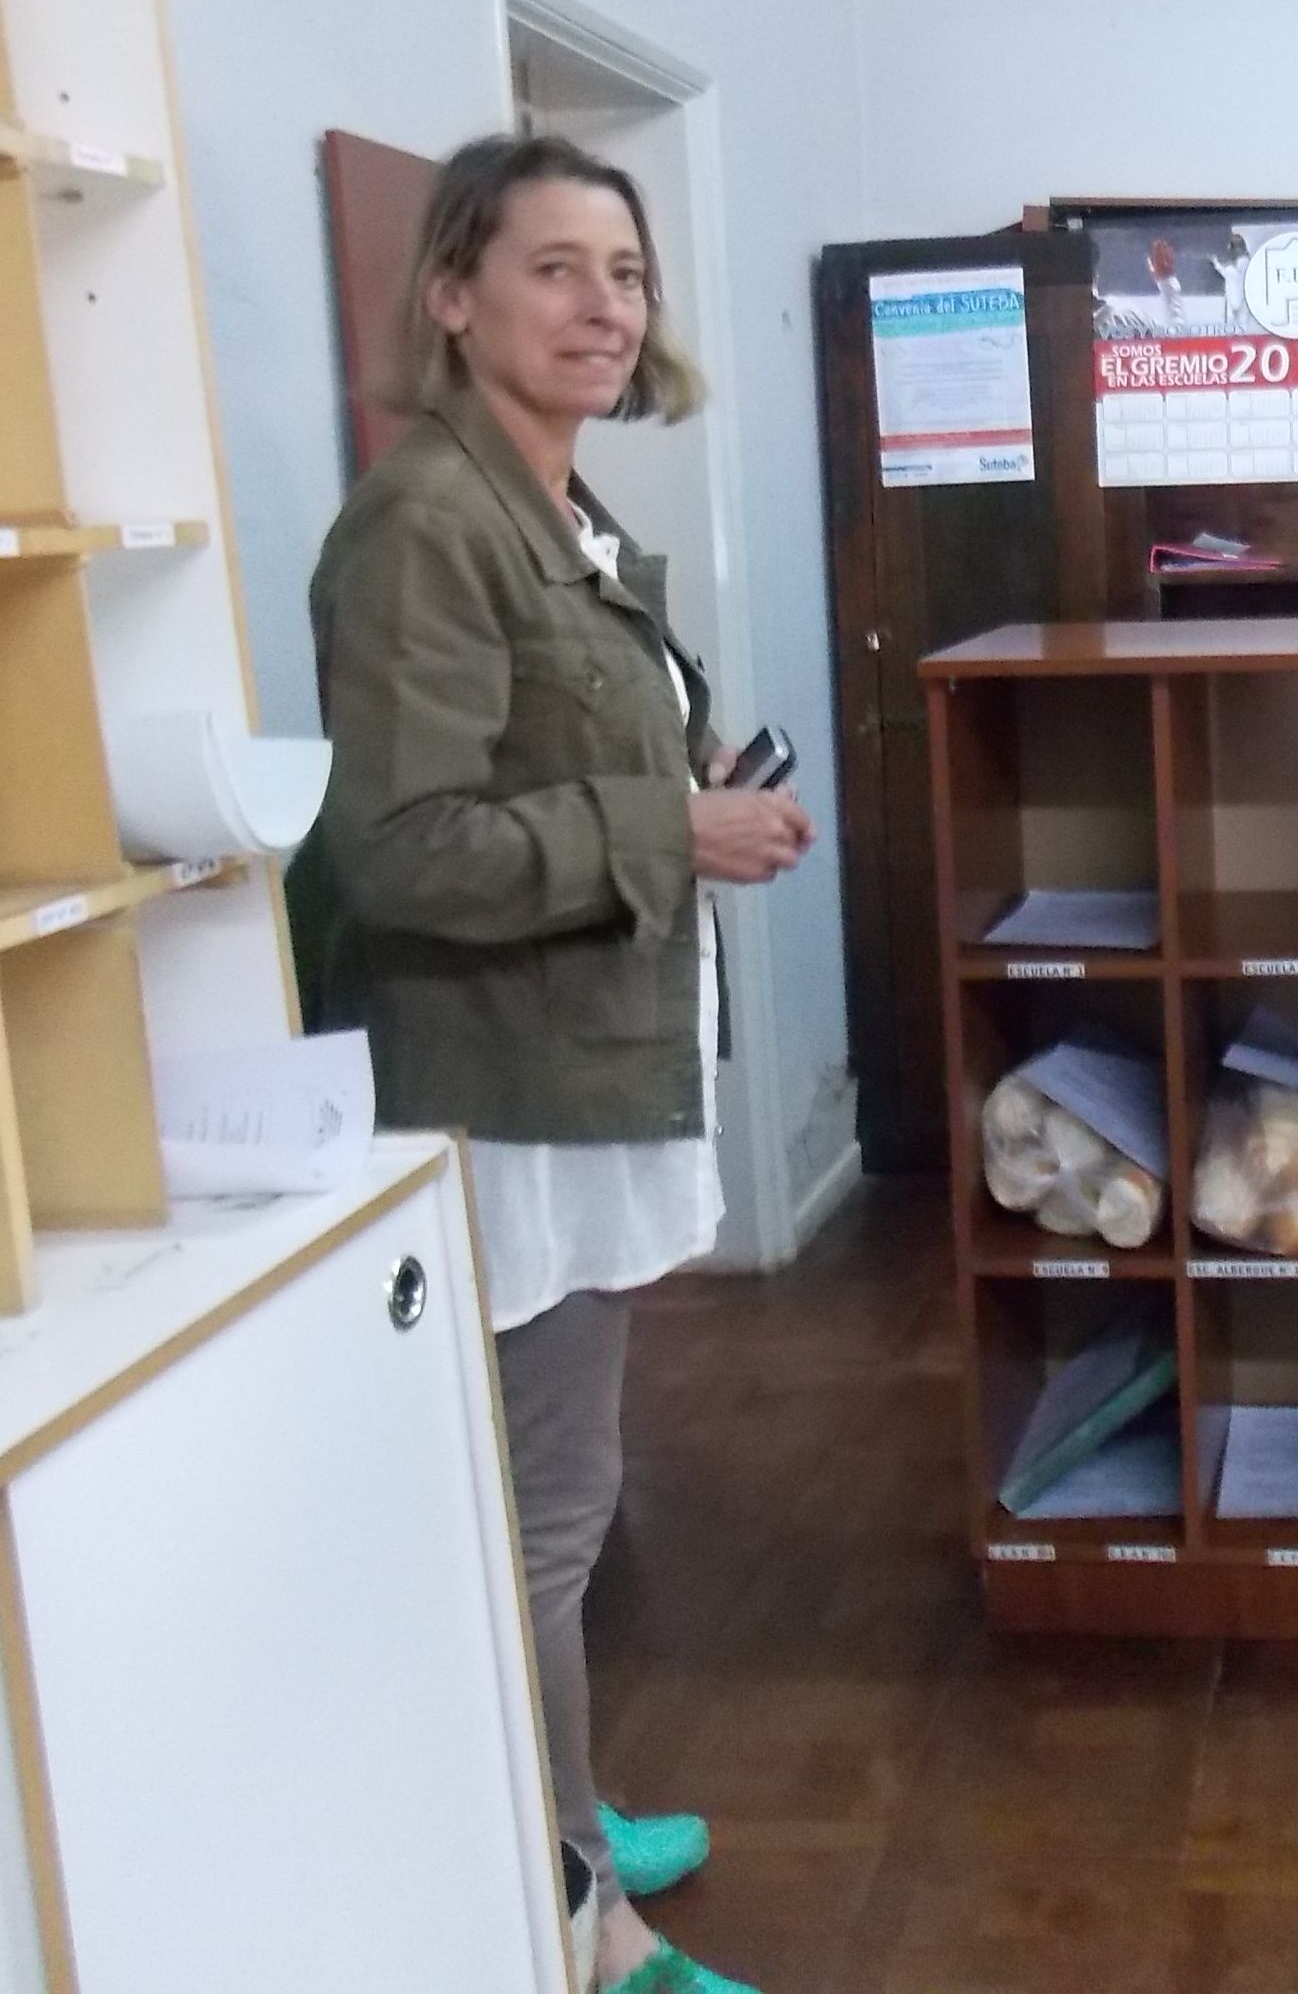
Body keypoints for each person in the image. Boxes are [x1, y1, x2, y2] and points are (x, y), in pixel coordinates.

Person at [310, 134, 815, 1993]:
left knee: (559, 1508)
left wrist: (686, 801)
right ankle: (581, 1922)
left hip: (580, 1064)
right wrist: (669, 824)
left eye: (627, 271)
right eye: (555, 268)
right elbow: (400, 850)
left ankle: (570, 1814)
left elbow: (547, 770)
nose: (605, 305)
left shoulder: (555, 503)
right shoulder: (424, 523)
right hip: (504, 1094)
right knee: (537, 1524)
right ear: (451, 295)